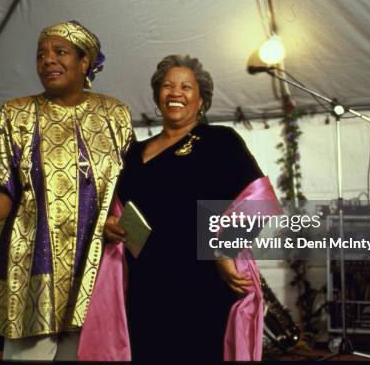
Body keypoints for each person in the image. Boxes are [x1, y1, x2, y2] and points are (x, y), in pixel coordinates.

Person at [0, 21, 133, 361]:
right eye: (41, 55)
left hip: (95, 269)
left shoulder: (115, 114)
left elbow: (128, 187)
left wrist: (122, 225)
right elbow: (5, 186)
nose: (48, 60)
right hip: (33, 267)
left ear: (85, 62)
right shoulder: (14, 114)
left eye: (60, 52)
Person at [104, 55, 277, 361]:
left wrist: (225, 252)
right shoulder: (133, 152)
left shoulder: (220, 141)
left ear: (200, 100)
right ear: (158, 95)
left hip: (200, 282)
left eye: (186, 86)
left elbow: (257, 199)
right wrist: (111, 224)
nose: (175, 92)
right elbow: (118, 209)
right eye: (167, 85)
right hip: (146, 283)